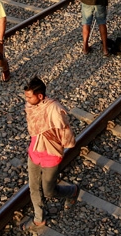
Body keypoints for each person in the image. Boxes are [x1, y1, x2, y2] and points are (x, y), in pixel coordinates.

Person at [22, 76, 79, 231]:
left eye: (29, 96)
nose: (26, 99)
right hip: (34, 152)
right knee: (34, 187)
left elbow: (64, 129)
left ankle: (72, 191)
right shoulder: (31, 106)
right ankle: (39, 219)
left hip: (51, 155)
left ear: (40, 96)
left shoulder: (54, 108)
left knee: (48, 191)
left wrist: (63, 142)